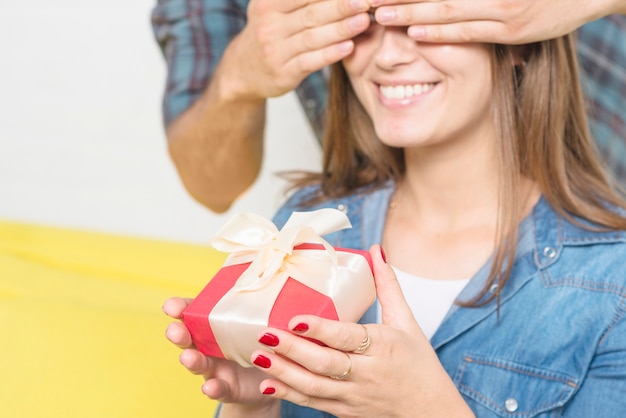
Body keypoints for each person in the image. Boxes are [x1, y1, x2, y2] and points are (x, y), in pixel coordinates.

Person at [163, 13, 626, 417]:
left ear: (520, 38)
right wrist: (256, 406)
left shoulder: (612, 280)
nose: (386, 55)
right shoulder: (306, 227)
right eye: (365, 18)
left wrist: (425, 409)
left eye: (427, 15)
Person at [150, 0, 626, 213]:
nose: (389, 54)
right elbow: (210, 183)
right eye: (368, 21)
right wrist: (239, 77)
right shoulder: (315, 241)